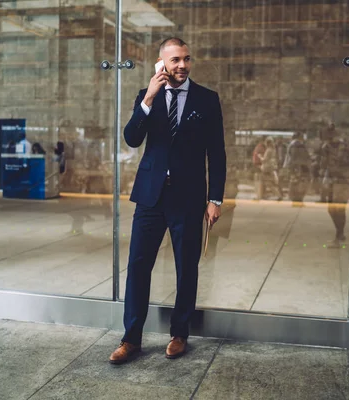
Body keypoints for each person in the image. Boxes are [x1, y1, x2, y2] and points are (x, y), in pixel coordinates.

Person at [109, 37, 226, 364]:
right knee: (138, 266)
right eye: (175, 60)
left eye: (186, 59)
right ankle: (131, 339)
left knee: (186, 267)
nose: (182, 66)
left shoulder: (207, 99)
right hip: (150, 196)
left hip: (188, 198)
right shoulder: (148, 97)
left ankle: (179, 334)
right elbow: (132, 138)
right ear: (161, 62)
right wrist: (148, 96)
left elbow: (217, 153)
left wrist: (214, 198)